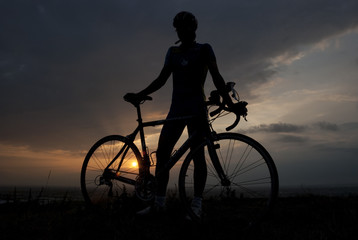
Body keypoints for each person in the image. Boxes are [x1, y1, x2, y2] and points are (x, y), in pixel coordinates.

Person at [124, 11, 233, 217]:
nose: (182, 31)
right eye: (179, 28)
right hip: (177, 109)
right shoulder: (172, 52)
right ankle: (159, 203)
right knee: (163, 154)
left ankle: (197, 204)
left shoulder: (204, 49)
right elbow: (161, 79)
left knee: (198, 156)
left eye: (186, 27)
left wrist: (230, 104)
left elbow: (217, 78)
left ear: (194, 29)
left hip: (197, 109)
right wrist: (140, 94)